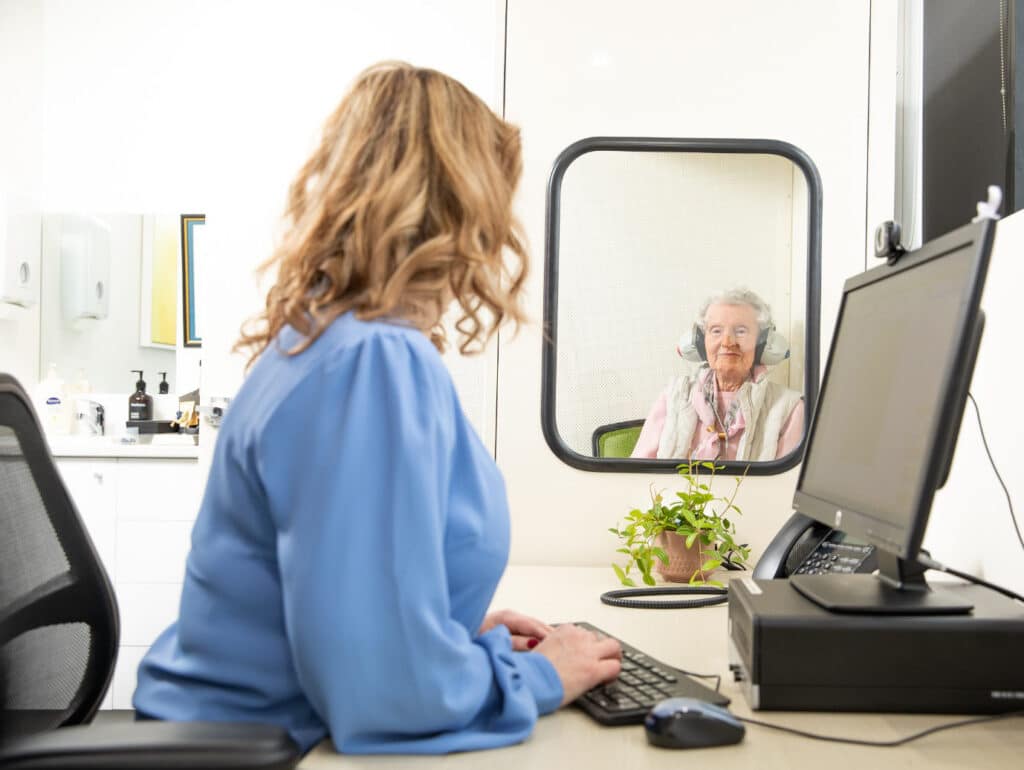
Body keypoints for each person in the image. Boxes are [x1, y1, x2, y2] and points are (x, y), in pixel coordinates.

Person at [133, 62, 621, 755]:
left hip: (242, 729)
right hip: (264, 753)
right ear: (465, 207)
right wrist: (539, 674)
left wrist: (449, 634)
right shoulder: (372, 361)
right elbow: (384, 694)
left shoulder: (322, 341)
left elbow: (342, 596)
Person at [631, 288, 804, 461]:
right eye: (716, 331)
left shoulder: (790, 408)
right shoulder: (673, 396)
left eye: (741, 331)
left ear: (762, 344)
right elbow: (637, 471)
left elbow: (785, 485)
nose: (727, 342)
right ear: (700, 342)